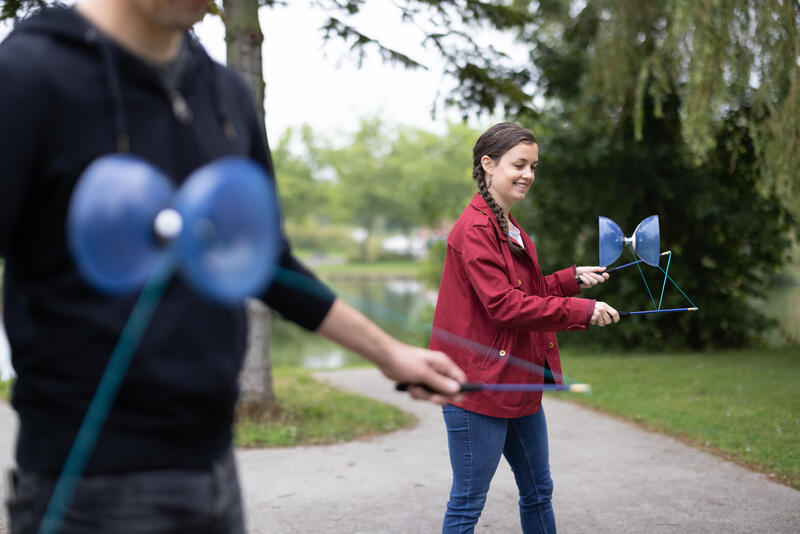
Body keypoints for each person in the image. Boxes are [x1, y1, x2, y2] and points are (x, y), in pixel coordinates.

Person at [0, 1, 466, 533]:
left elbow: (268, 264)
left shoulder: (224, 93)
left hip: (215, 469)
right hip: (86, 487)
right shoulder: (26, 76)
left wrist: (391, 354)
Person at [430, 122, 619, 533]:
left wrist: (570, 278)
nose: (528, 175)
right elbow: (505, 306)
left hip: (517, 380)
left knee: (538, 489)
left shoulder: (508, 226)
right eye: (519, 164)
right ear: (488, 165)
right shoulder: (477, 229)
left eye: (533, 166)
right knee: (468, 502)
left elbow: (525, 290)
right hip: (476, 388)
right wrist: (580, 310)